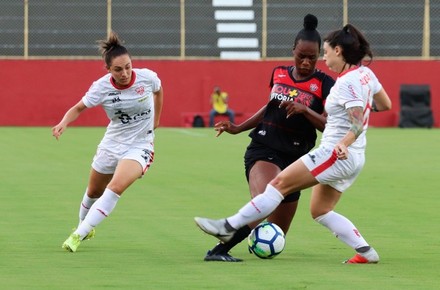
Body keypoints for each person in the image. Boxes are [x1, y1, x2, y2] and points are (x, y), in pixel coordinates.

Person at [195, 23, 392, 264]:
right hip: (355, 157)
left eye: (326, 52)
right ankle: (366, 253)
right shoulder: (365, 74)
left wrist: (343, 141)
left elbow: (358, 122)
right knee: (320, 210)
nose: (325, 58)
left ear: (339, 51)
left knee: (277, 185)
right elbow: (384, 105)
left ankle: (228, 225)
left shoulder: (346, 82)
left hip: (335, 153)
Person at [203, 14, 335, 262]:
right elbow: (270, 108)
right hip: (265, 149)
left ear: (319, 56)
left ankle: (238, 237)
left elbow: (329, 126)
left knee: (277, 235)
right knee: (266, 201)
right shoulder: (279, 73)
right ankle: (219, 250)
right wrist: (239, 127)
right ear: (293, 50)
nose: (306, 62)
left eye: (312, 58)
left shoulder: (326, 84)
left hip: (297, 160)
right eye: (301, 56)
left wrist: (305, 109)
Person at [52, 31, 164, 252]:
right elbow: (78, 108)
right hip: (112, 143)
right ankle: (84, 226)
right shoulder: (101, 87)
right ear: (108, 70)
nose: (125, 73)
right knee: (93, 191)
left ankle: (77, 235)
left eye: (128, 66)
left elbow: (159, 91)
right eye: (118, 69)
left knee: (115, 188)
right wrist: (64, 122)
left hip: (140, 144)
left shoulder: (147, 78)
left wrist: (157, 119)